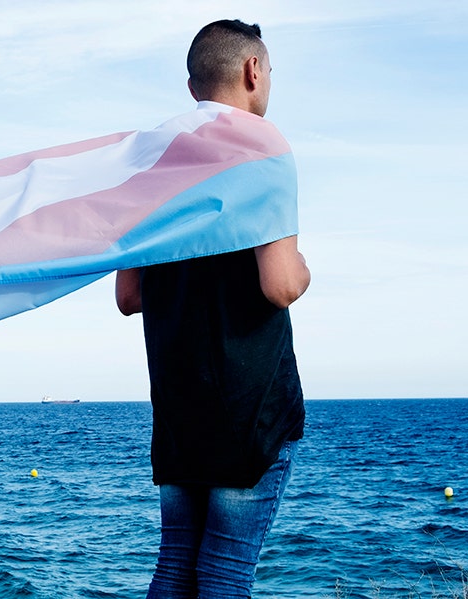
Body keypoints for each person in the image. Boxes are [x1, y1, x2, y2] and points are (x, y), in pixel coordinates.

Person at [115, 19, 311, 599]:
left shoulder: (150, 162)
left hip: (178, 407)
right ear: (252, 70)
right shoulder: (262, 146)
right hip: (248, 405)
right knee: (226, 572)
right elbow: (279, 285)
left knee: (175, 565)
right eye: (270, 71)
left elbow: (129, 297)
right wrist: (304, 268)